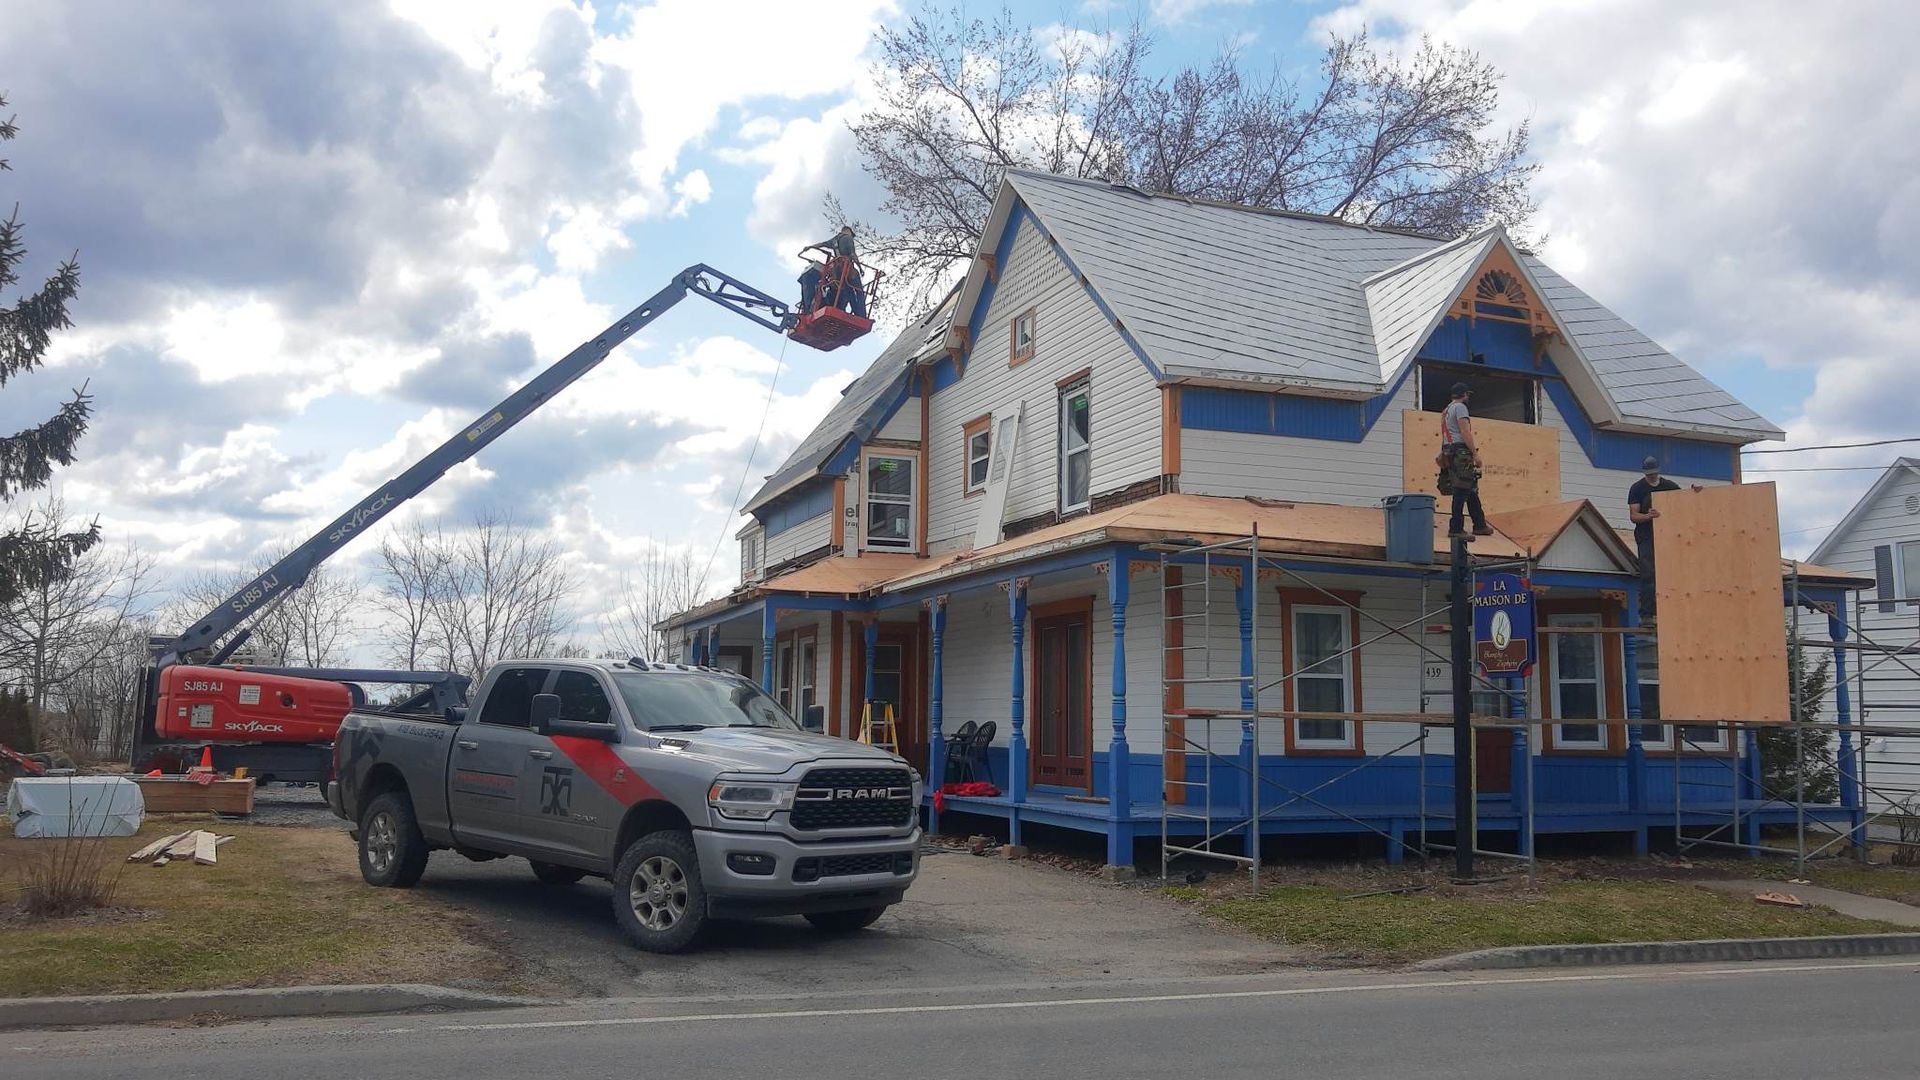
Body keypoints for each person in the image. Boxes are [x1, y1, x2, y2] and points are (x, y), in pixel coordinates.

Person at [1628, 456, 1704, 617]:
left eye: (1654, 473)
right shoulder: (1637, 488)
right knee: (1648, 574)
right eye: (1649, 474)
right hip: (1646, 536)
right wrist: (1648, 516)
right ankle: (1647, 614)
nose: (1652, 476)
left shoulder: (1669, 486)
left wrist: (1694, 491)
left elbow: (1683, 501)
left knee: (1670, 572)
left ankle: (1671, 611)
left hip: (1667, 536)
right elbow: (1634, 516)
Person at [1439, 382, 1495, 540]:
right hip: (1461, 452)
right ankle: (1456, 528)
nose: (1468, 397)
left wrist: (1443, 452)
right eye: (1467, 394)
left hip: (1450, 450)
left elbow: (1446, 433)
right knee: (1461, 490)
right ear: (1464, 395)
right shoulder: (1460, 408)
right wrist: (1474, 454)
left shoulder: (1447, 410)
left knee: (1470, 488)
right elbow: (1465, 431)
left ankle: (1479, 524)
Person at [796, 225, 867, 320]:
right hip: (848, 270)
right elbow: (852, 254)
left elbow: (822, 244)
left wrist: (810, 247)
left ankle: (858, 314)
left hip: (838, 272)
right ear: (848, 231)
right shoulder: (847, 238)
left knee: (849, 292)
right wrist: (860, 268)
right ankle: (862, 315)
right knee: (859, 292)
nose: (852, 236)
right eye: (852, 234)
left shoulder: (834, 240)